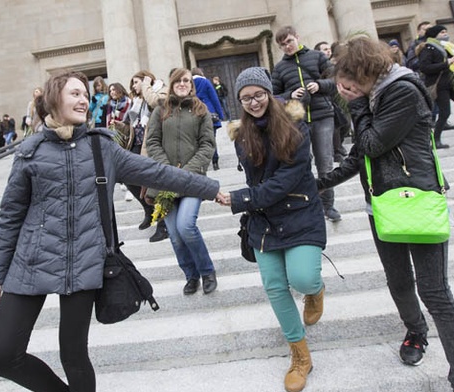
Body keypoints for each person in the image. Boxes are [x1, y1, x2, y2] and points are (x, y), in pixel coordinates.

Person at [0, 70, 220, 392]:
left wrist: (210, 188)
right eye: (75, 94)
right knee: (2, 356)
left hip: (84, 260)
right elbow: (9, 218)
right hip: (31, 260)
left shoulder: (101, 147)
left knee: (74, 354)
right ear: (53, 99)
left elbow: (158, 173)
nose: (84, 99)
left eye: (85, 94)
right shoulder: (30, 152)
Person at [320, 36, 454, 392]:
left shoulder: (402, 91)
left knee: (435, 291)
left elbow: (372, 143)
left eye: (349, 84)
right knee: (399, 281)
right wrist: (319, 183)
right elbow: (360, 156)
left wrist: (358, 106)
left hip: (416, 200)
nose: (344, 90)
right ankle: (416, 332)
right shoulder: (372, 95)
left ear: (366, 74)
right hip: (381, 203)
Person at [216, 67, 326, 392]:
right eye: (245, 98)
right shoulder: (240, 135)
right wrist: (248, 201)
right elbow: (256, 179)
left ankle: (316, 290)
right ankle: (300, 356)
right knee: (275, 287)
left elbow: (286, 180)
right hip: (263, 221)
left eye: (258, 94)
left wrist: (241, 199)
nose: (253, 102)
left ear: (268, 93)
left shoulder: (296, 125)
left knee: (303, 278)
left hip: (299, 211)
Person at [145, 68, 218, 295]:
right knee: (175, 236)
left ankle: (207, 271)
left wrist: (186, 172)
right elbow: (153, 141)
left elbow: (207, 145)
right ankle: (191, 275)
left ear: (192, 85)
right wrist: (168, 169)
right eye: (179, 80)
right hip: (165, 181)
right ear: (172, 83)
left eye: (187, 80)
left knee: (186, 226)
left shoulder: (201, 110)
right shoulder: (160, 109)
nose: (184, 83)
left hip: (191, 180)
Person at [271, 26, 341, 222]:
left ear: (297, 37)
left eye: (289, 41)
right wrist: (290, 95)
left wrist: (319, 85)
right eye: (282, 44)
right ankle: (311, 205)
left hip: (323, 116)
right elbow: (274, 97)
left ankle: (328, 206)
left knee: (325, 163)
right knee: (303, 164)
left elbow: (335, 81)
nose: (287, 46)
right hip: (297, 121)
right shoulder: (279, 68)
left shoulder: (317, 57)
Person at [122, 70, 169, 242]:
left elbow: (157, 103)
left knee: (156, 183)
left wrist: (147, 85)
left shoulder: (161, 90)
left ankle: (164, 224)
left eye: (136, 82)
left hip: (156, 146)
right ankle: (149, 210)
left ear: (146, 80)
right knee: (126, 175)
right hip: (138, 146)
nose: (134, 86)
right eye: (133, 84)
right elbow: (133, 124)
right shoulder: (137, 101)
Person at [191, 67, 224, 171]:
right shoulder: (205, 82)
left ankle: (203, 163)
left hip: (195, 113)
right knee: (211, 139)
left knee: (198, 140)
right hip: (209, 112)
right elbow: (214, 98)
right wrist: (220, 114)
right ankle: (215, 162)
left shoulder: (189, 83)